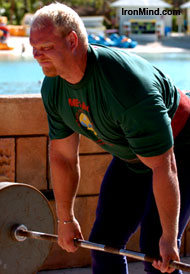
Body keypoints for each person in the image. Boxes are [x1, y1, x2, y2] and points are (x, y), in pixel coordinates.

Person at [30, 3, 190, 274]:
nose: (36, 55)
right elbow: (63, 158)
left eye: (45, 47)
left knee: (159, 254)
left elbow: (165, 166)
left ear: (72, 41)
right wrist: (65, 219)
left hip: (179, 145)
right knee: (102, 246)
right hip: (133, 156)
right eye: (34, 47)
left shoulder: (125, 86)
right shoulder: (54, 87)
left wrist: (168, 235)